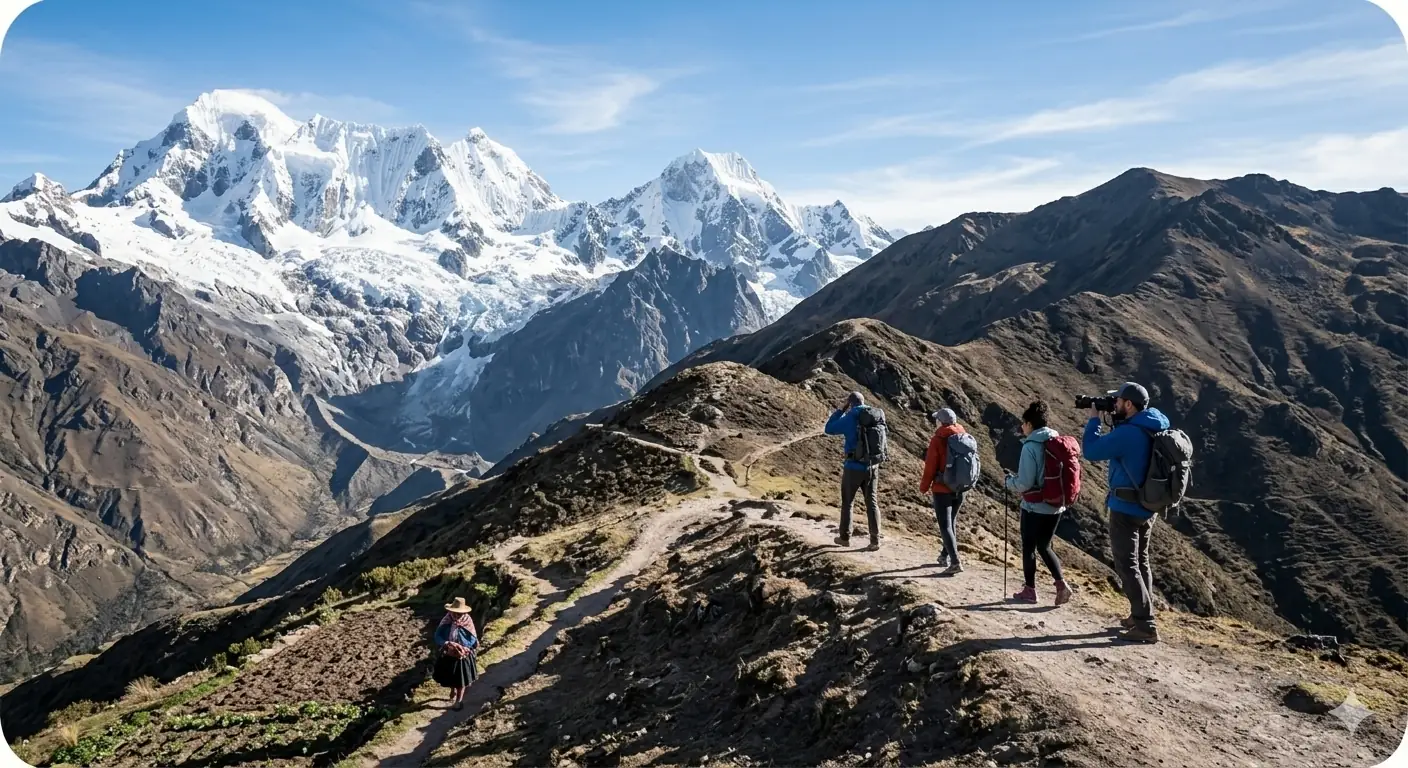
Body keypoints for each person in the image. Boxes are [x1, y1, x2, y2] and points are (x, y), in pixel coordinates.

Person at [1082, 382, 1170, 644]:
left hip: (1125, 508)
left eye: (1118, 401)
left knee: (1126, 564)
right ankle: (1139, 613)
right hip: (1147, 505)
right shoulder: (1153, 425)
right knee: (1141, 561)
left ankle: (1145, 624)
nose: (1115, 405)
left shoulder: (1129, 433)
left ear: (1129, 405)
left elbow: (1091, 451)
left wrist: (1094, 420)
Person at [1003, 401, 1074, 605]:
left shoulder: (1031, 446)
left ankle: (1030, 590)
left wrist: (1010, 482)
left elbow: (1025, 483)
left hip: (1034, 507)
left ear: (1030, 424)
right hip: (1056, 506)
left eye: (1023, 424)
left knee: (1029, 548)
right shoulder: (1056, 441)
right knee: (1045, 546)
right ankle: (1061, 585)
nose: (1022, 428)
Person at [824, 391, 881, 551]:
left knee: (848, 502)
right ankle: (875, 540)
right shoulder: (876, 416)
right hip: (872, 466)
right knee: (872, 502)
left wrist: (841, 410)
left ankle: (845, 538)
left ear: (850, 403)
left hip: (853, 466)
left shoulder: (851, 417)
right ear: (864, 401)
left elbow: (829, 429)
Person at [920, 408, 967, 575]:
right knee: (951, 522)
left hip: (942, 488)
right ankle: (943, 556)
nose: (935, 422)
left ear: (941, 422)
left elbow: (930, 466)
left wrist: (924, 487)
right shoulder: (963, 436)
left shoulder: (938, 439)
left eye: (936, 420)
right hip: (960, 488)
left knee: (945, 525)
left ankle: (955, 561)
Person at [432, 597, 480, 710]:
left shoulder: (467, 621)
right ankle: (452, 690)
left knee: (461, 680)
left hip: (463, 655)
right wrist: (448, 643)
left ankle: (459, 701)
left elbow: (472, 638)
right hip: (448, 654)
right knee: (451, 677)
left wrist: (464, 647)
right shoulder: (446, 620)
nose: (457, 615)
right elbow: (438, 636)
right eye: (455, 613)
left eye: (460, 613)